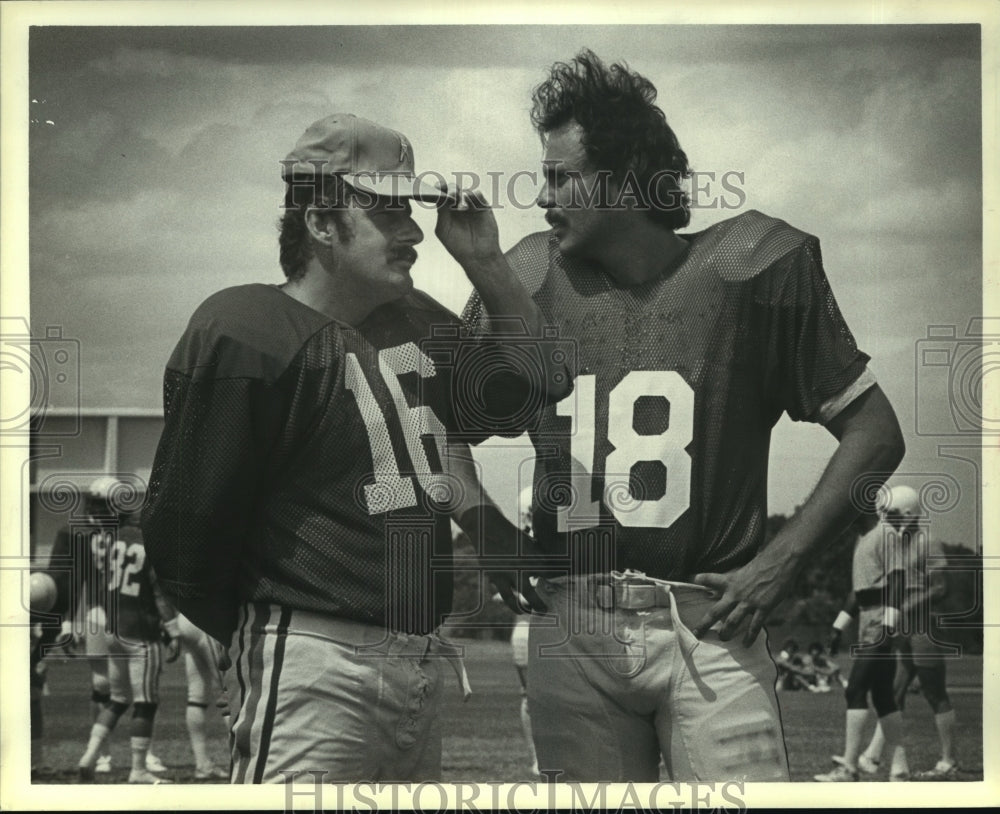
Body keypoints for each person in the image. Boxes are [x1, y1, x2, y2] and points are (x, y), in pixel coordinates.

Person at [461, 49, 905, 781]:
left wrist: (779, 563)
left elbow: (876, 432)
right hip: (573, 630)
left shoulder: (748, 268)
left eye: (561, 177)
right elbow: (433, 427)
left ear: (627, 178)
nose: (542, 197)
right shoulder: (530, 279)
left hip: (712, 627)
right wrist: (490, 533)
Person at [142, 113, 546, 784]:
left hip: (418, 654)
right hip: (312, 652)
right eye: (388, 212)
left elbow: (530, 386)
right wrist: (263, 637)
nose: (414, 231)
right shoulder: (245, 328)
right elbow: (185, 536)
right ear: (322, 223)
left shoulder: (415, 322)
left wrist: (487, 265)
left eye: (409, 211)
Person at [54, 478, 182, 784]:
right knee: (142, 701)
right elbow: (158, 591)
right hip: (135, 628)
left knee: (117, 697)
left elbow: (99, 583)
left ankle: (93, 755)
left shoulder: (107, 540)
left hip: (111, 626)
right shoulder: (140, 539)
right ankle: (132, 766)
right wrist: (172, 627)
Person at [850, 484, 959, 780]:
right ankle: (874, 756)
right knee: (894, 691)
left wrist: (905, 605)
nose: (886, 517)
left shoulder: (927, 542)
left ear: (909, 514)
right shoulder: (890, 541)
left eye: (893, 513)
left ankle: (948, 759)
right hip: (901, 626)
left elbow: (940, 588)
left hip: (922, 626)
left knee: (934, 691)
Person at [816, 508, 910, 782]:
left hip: (879, 625)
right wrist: (838, 627)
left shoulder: (886, 533)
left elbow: (898, 581)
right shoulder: (863, 539)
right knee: (883, 697)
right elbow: (858, 593)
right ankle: (900, 770)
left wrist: (888, 626)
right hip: (868, 624)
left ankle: (849, 768)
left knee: (855, 689)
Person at [176, 612, 231, 780]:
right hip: (206, 619)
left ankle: (202, 764)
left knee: (196, 695)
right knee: (228, 691)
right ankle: (241, 759)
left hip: (185, 619)